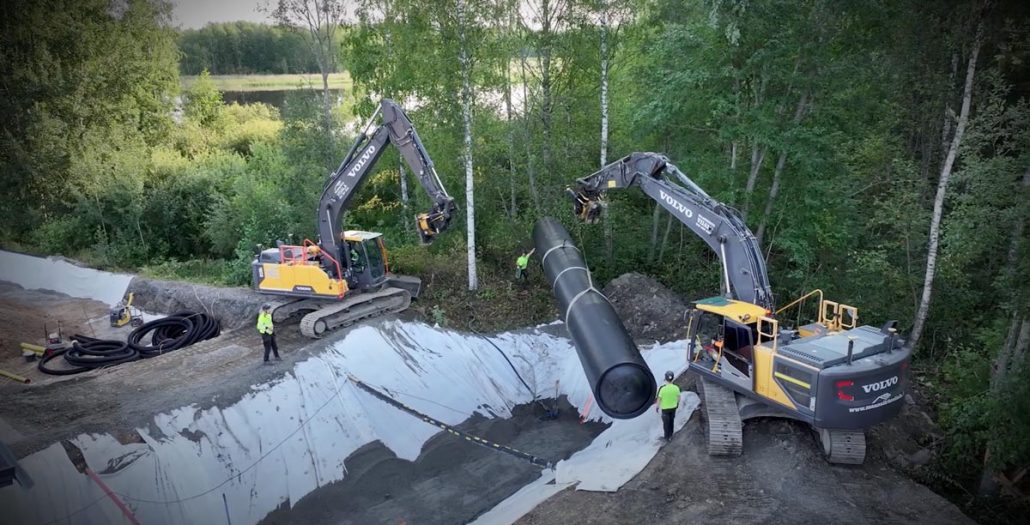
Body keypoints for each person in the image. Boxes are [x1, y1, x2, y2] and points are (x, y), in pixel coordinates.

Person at [655, 370, 681, 441]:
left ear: (665, 378)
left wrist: (657, 407)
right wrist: (677, 404)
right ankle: (671, 436)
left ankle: (666, 437)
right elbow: (679, 398)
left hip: (665, 409)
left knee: (666, 423)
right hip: (673, 408)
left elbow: (659, 399)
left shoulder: (663, 389)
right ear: (672, 378)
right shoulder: (676, 388)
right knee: (671, 421)